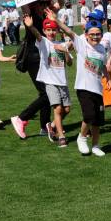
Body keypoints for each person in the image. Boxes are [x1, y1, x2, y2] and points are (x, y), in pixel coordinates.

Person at [11, 0, 62, 140]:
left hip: (44, 59)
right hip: (33, 58)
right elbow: (24, 5)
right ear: (35, 4)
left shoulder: (48, 15)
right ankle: (21, 118)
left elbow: (61, 4)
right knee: (46, 94)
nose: (44, 6)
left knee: (44, 93)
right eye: (41, 3)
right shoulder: (30, 15)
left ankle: (44, 126)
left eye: (46, 3)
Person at [56, 16, 108, 157]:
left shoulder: (102, 49)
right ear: (86, 35)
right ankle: (82, 137)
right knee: (89, 115)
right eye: (92, 34)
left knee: (98, 120)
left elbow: (102, 65)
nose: (95, 37)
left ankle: (96, 145)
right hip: (84, 87)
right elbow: (68, 31)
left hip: (98, 89)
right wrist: (56, 19)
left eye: (98, 34)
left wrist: (107, 77)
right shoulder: (81, 44)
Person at [24, 15, 73, 147]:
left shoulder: (61, 44)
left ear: (57, 31)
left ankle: (51, 125)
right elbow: (37, 35)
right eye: (48, 30)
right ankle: (61, 136)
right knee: (57, 109)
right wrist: (31, 26)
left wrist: (66, 51)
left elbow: (69, 63)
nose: (51, 32)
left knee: (67, 110)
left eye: (53, 30)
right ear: (45, 31)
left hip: (62, 82)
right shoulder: (44, 42)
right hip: (50, 81)